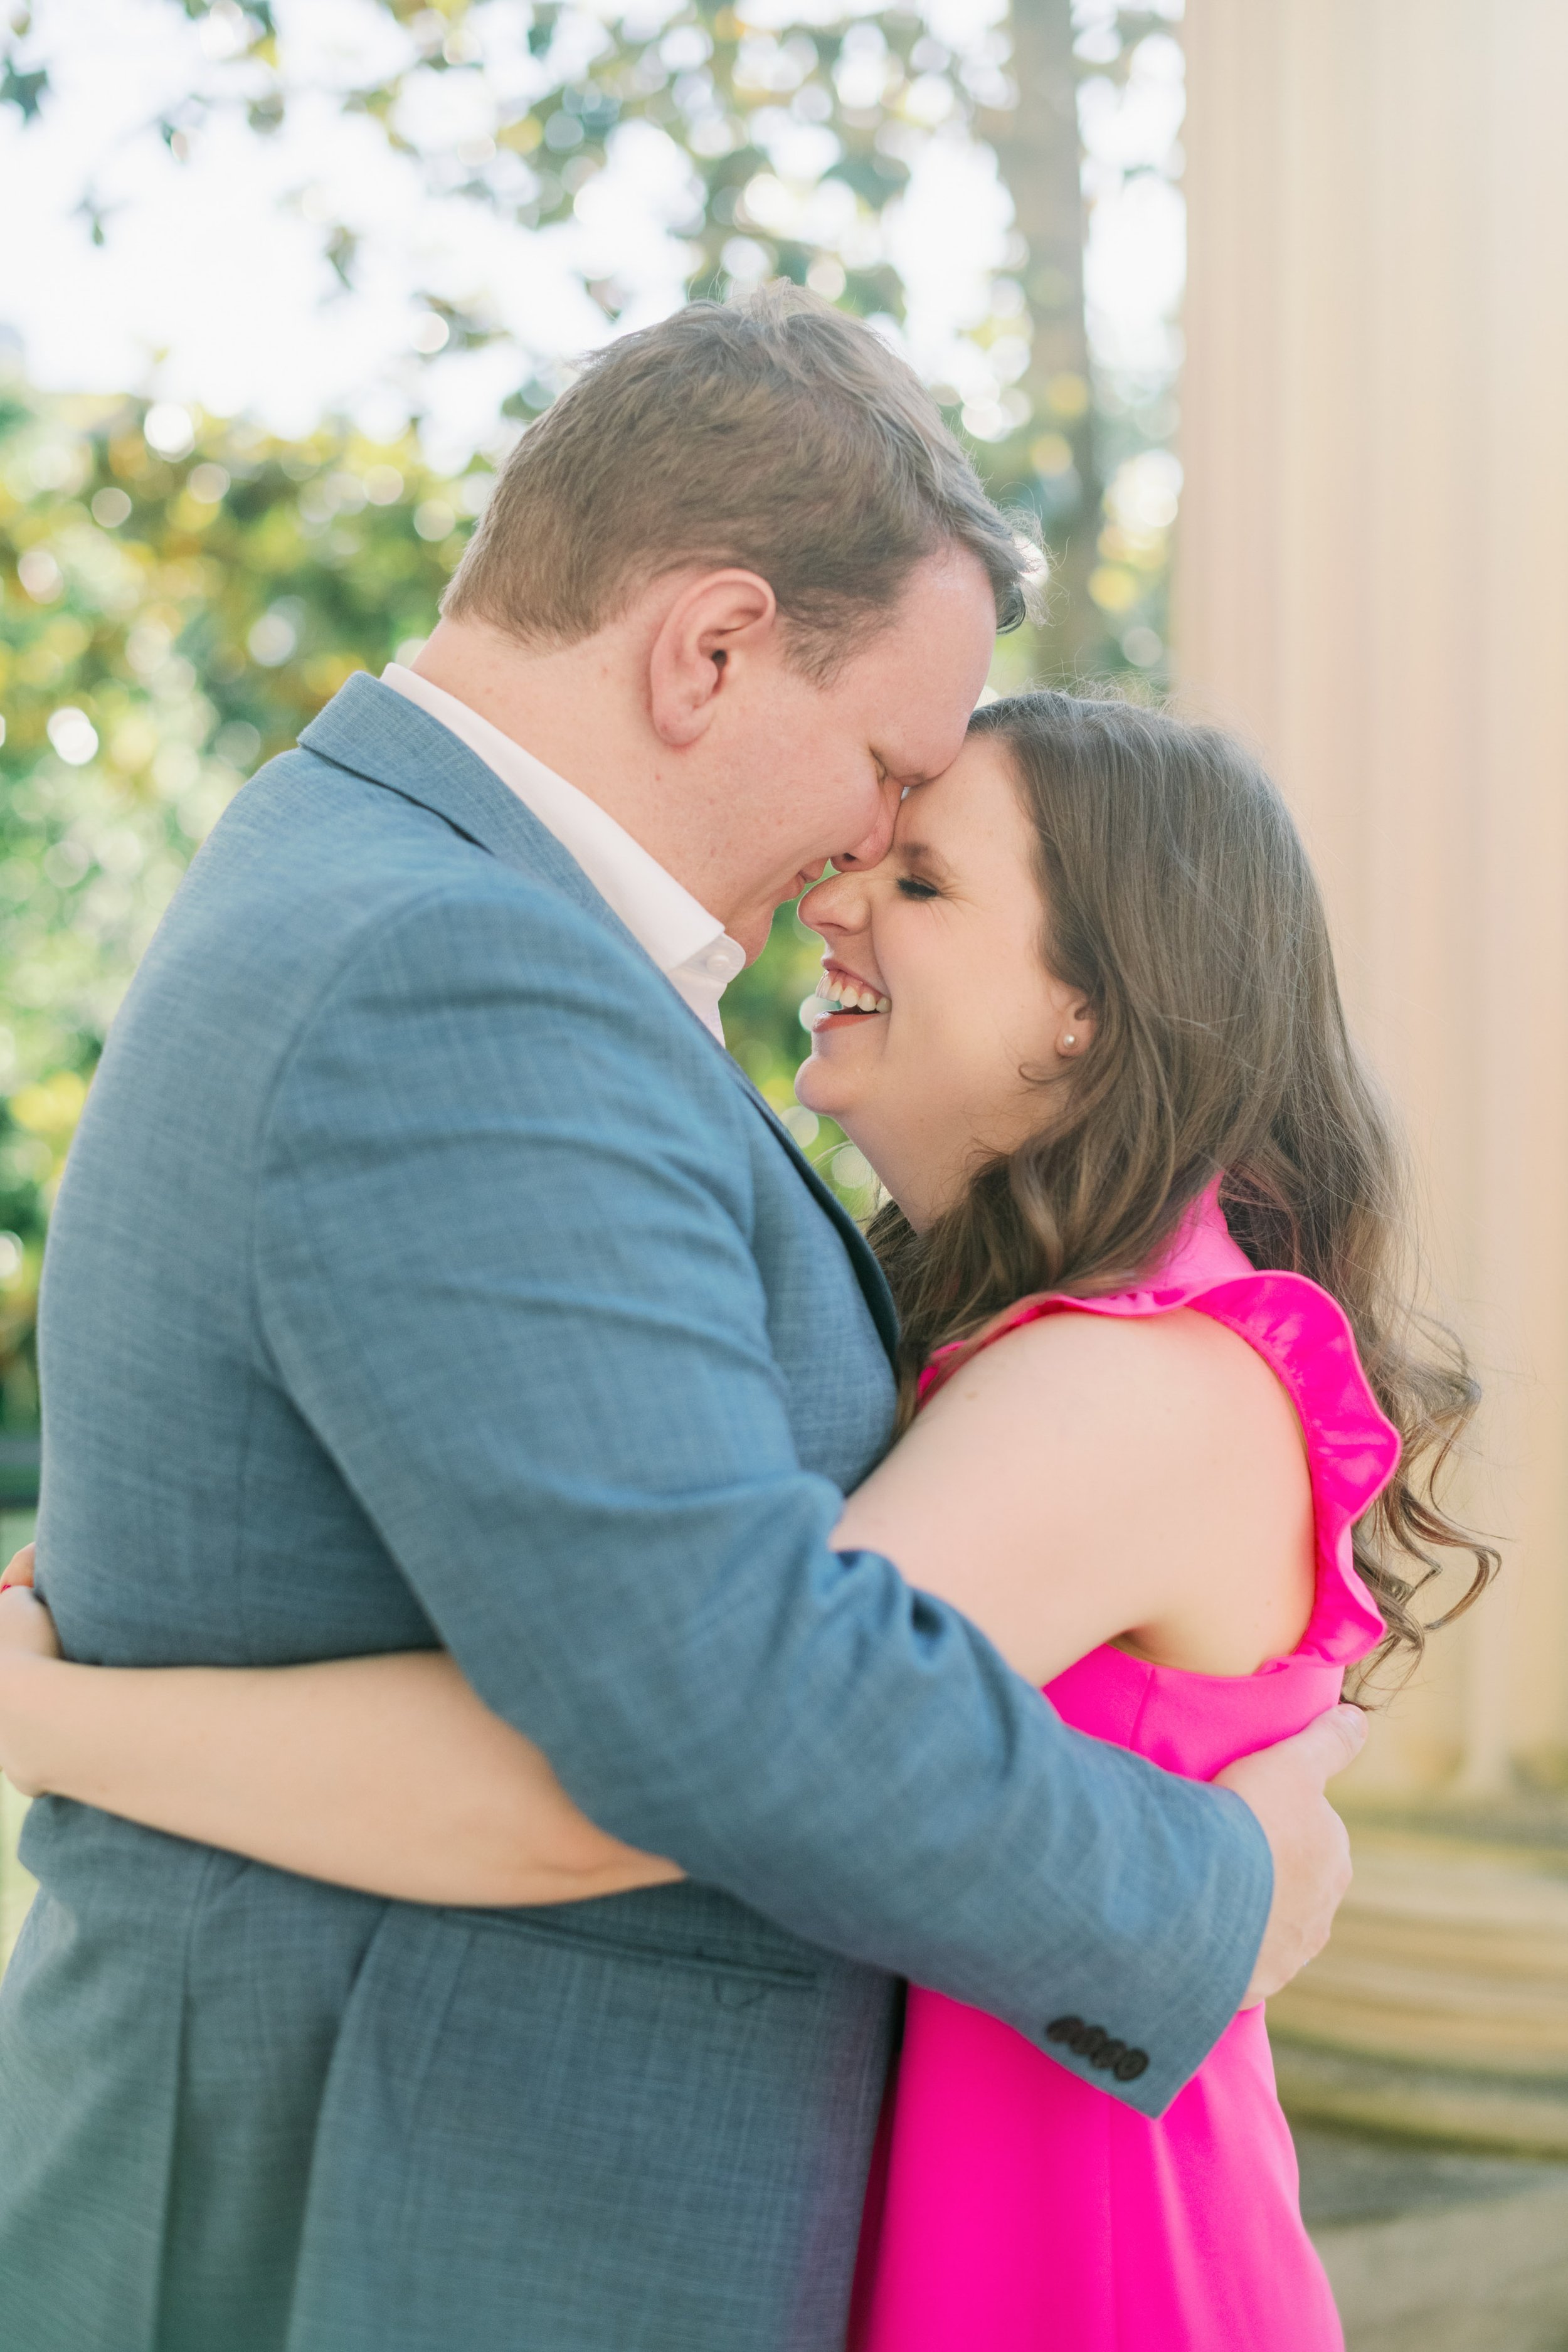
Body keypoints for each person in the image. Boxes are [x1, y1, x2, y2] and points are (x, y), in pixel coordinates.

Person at [0, 292, 1366, 2352]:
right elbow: (709, 1710)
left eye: (920, 851)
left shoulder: (393, 893)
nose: (853, 856)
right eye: (885, 774)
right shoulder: (464, 963)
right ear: (708, 649)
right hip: (408, 2230)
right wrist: (1220, 1894)